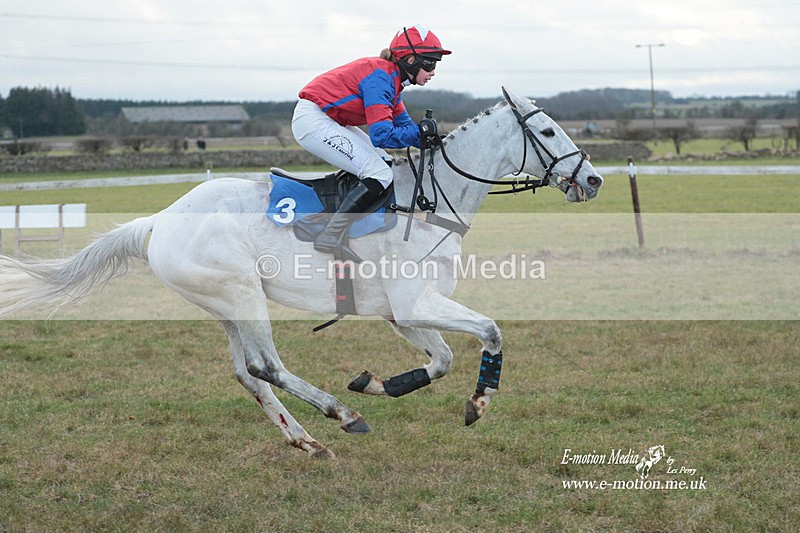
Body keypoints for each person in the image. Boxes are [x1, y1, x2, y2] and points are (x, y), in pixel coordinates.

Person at [291, 25, 451, 262]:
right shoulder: (381, 78)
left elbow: (406, 128)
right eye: (429, 64)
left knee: (385, 162)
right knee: (379, 172)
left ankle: (355, 226)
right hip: (313, 120)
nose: (433, 71)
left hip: (330, 119)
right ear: (409, 60)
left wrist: (431, 139)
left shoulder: (393, 83)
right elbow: (382, 135)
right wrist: (419, 133)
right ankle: (330, 234)